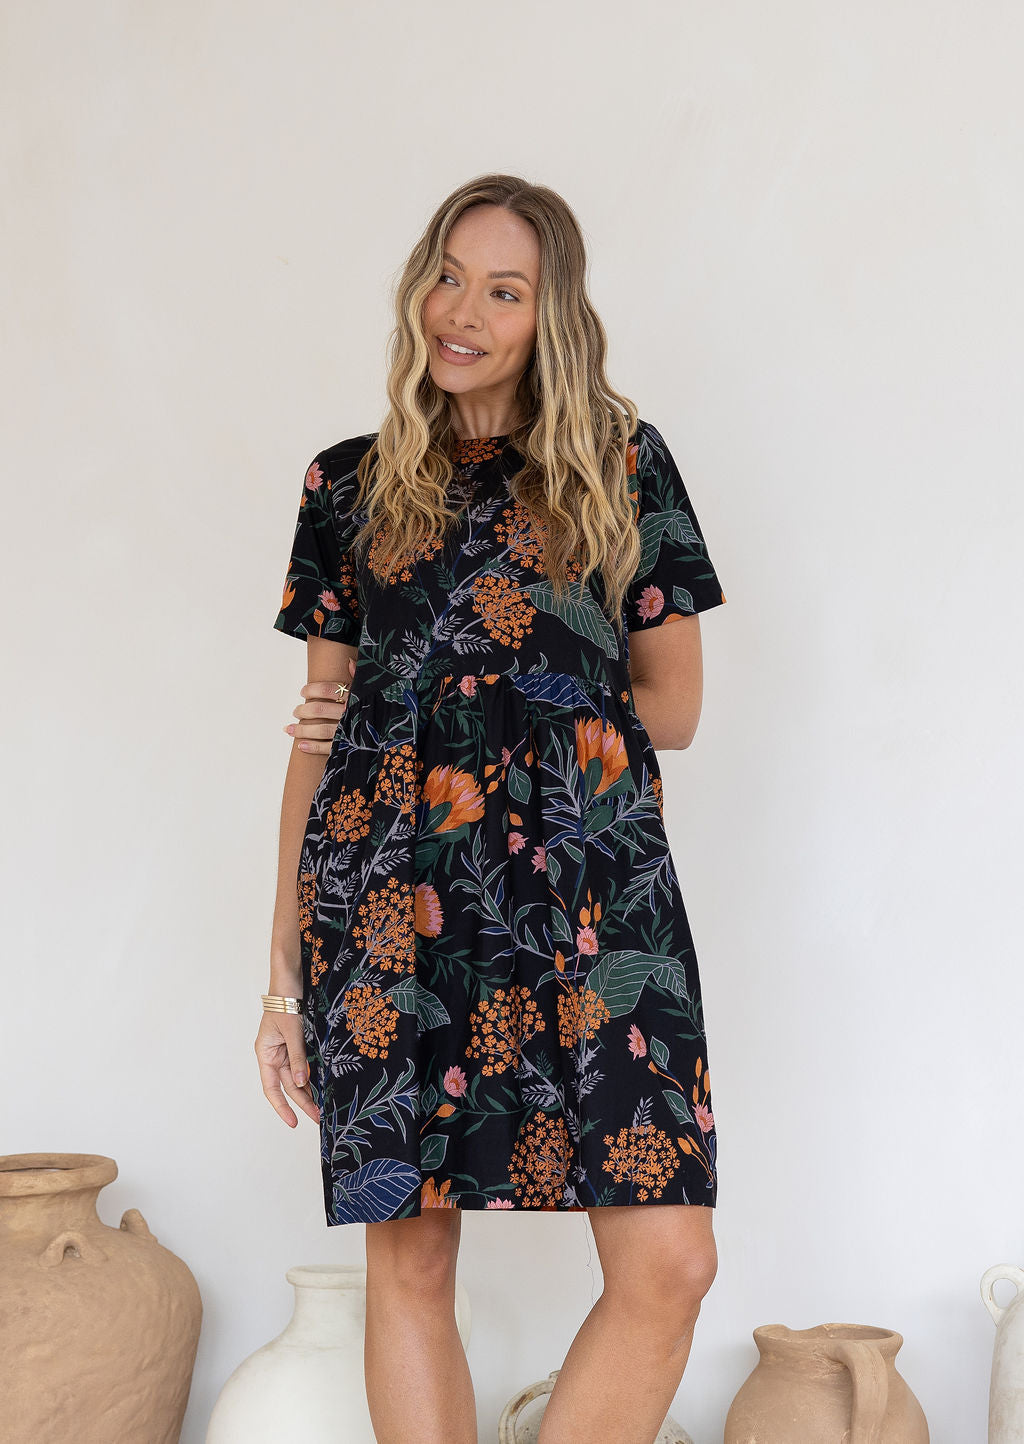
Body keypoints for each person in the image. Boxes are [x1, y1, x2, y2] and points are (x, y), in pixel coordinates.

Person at [256, 174, 728, 1444]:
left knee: (668, 1264)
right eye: (448, 275)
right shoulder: (344, 485)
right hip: (389, 898)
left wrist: (523, 684)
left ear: (549, 316)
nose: (461, 310)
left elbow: (671, 708)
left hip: (589, 889)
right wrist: (284, 982)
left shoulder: (619, 464)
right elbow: (317, 738)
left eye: (503, 290)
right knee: (408, 1265)